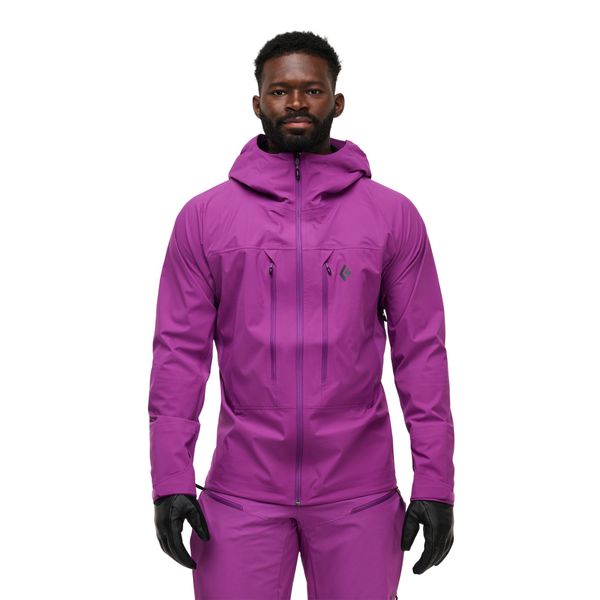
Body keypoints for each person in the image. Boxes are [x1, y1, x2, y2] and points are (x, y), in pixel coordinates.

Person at [149, 30, 455, 600]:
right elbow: (178, 356)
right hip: (239, 492)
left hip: (360, 495)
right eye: (280, 90)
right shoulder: (204, 218)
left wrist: (435, 483)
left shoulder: (392, 216)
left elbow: (421, 355)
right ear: (257, 102)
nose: (295, 102)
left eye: (311, 90)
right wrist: (170, 477)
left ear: (336, 101)